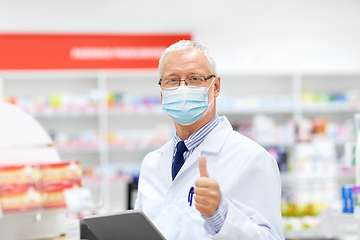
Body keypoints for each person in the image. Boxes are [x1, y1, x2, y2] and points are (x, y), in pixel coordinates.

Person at [134, 40, 284, 240]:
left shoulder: (253, 158)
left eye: (194, 78)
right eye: (172, 80)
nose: (182, 88)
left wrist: (220, 215)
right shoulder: (151, 163)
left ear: (215, 87)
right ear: (162, 93)